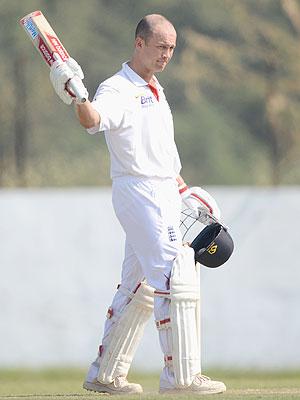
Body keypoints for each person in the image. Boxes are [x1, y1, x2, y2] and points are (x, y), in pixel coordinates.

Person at [50, 14, 226, 396]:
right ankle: (181, 378)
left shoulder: (156, 89)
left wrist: (182, 188)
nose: (167, 55)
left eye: (172, 48)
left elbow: (160, 148)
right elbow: (93, 121)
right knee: (174, 276)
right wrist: (77, 96)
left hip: (162, 189)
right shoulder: (117, 88)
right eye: (161, 46)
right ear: (139, 43)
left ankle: (105, 374)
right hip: (139, 191)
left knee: (138, 285)